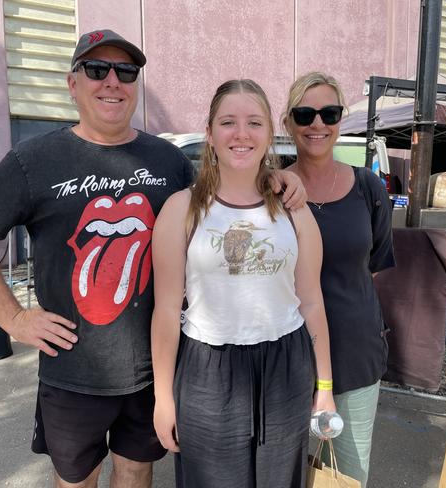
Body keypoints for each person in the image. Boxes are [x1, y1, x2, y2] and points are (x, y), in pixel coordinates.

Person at [0, 30, 306, 488]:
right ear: (73, 83)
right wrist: (13, 317)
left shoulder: (166, 160)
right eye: (97, 70)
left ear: (136, 83)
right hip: (74, 370)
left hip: (150, 369)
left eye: (126, 71)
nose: (112, 81)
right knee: (76, 479)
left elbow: (222, 192)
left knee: (136, 473)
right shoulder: (34, 160)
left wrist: (272, 176)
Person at [150, 79, 336, 488]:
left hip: (287, 368)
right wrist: (164, 399)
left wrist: (324, 387)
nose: (241, 134)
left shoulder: (295, 212)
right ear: (211, 133)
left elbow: (312, 304)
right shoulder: (181, 209)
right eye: (228, 122)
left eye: (254, 122)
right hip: (207, 370)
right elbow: (165, 310)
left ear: (270, 134)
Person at [281, 72, 395, 488]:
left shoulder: (367, 186)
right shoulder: (270, 189)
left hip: (355, 356)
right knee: (283, 473)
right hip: (284, 359)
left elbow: (375, 265)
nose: (317, 124)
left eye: (328, 113)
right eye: (305, 113)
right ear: (289, 122)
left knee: (347, 476)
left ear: (340, 119)